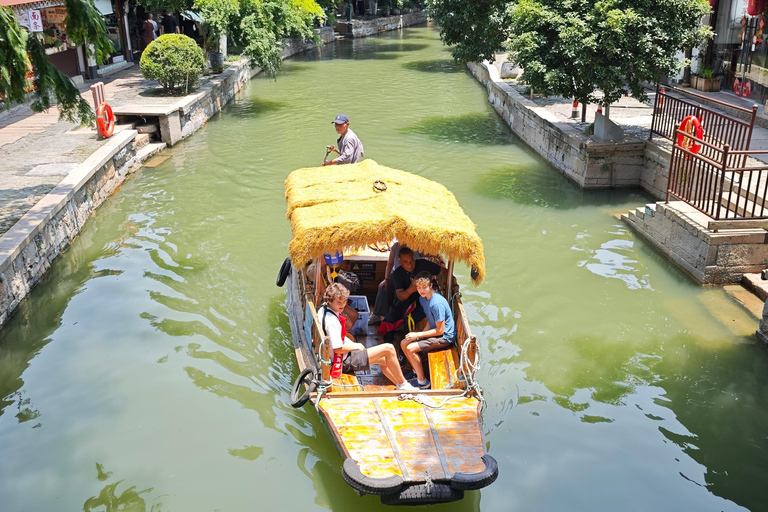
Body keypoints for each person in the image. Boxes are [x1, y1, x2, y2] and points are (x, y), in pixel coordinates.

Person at [320, 283, 417, 390]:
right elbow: (337, 348)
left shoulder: (324, 309)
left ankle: (400, 385)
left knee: (385, 359)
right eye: (339, 302)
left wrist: (353, 344)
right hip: (342, 361)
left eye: (344, 301)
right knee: (389, 348)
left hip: (338, 356)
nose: (342, 305)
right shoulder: (332, 321)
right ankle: (404, 385)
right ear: (329, 300)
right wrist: (356, 346)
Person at [401, 272, 457, 389]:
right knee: (404, 343)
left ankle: (423, 382)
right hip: (436, 332)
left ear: (431, 286)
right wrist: (421, 336)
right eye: (418, 287)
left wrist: (418, 335)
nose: (421, 290)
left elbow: (440, 330)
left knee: (411, 348)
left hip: (445, 337)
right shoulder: (423, 299)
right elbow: (430, 321)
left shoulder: (436, 303)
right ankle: (416, 372)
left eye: (424, 287)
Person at [378, 247, 442, 339]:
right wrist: (411, 289)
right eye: (405, 262)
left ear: (414, 258)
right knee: (388, 320)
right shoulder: (397, 273)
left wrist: (451, 282)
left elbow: (444, 272)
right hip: (407, 299)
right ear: (400, 262)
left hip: (425, 301)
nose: (410, 264)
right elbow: (400, 296)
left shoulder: (423, 264)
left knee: (409, 320)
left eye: (412, 260)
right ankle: (388, 346)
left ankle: (404, 350)